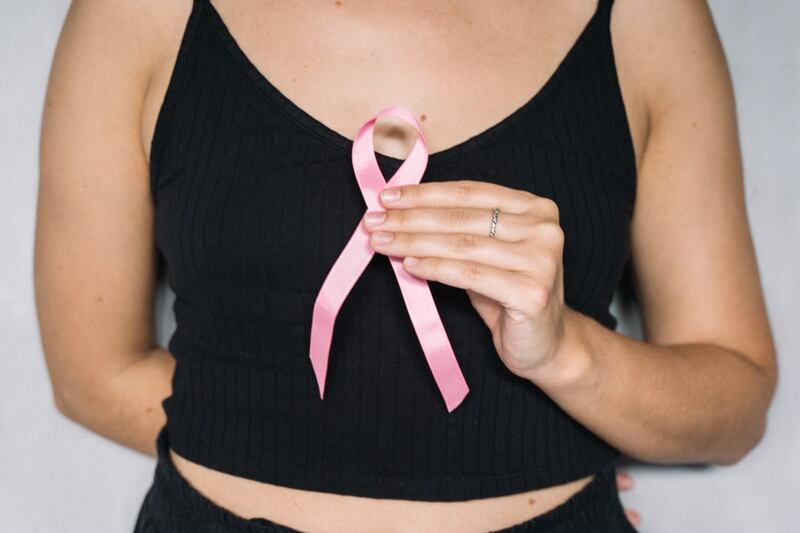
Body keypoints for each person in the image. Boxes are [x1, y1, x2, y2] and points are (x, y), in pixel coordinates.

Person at [34, 0, 777, 531]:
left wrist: (567, 355)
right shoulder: (137, 14)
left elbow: (736, 406)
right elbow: (92, 373)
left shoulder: (649, 18)